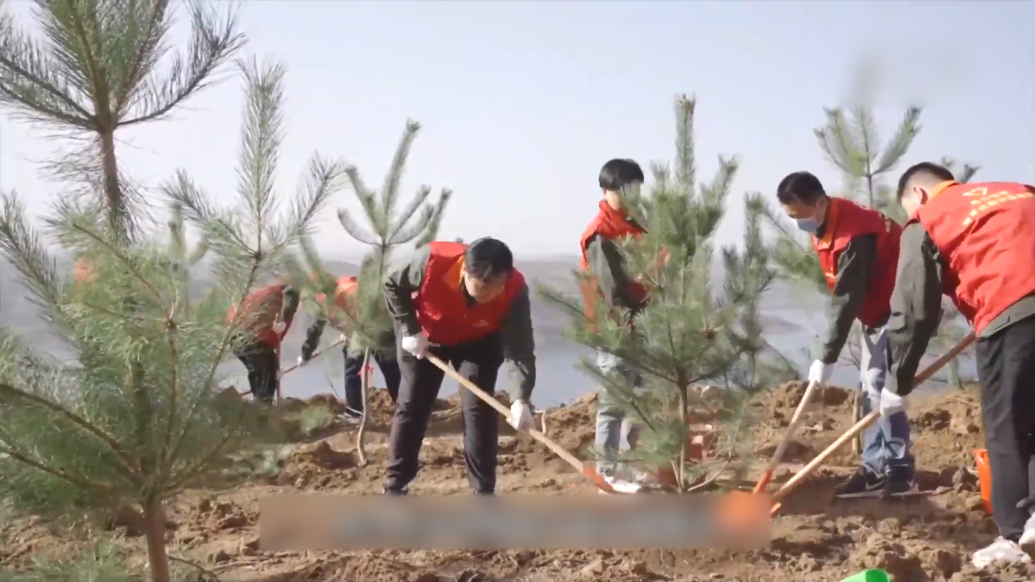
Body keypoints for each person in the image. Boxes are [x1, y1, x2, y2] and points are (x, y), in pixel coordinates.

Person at [884, 162, 1035, 568]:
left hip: (1013, 315)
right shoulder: (1019, 190)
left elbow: (915, 310)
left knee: (1009, 426)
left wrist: (895, 382)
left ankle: (1017, 535)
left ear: (917, 195)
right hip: (1019, 304)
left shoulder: (927, 219)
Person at [776, 171, 917, 498]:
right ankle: (874, 468)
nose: (799, 224)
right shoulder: (827, 222)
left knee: (881, 387)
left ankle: (899, 471)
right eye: (791, 218)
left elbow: (845, 301)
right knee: (872, 388)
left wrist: (826, 357)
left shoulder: (856, 234)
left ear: (821, 203)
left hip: (900, 308)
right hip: (877, 311)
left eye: (800, 216)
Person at [381, 237, 537, 495]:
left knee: (478, 409)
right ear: (465, 270)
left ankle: (483, 492)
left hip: (479, 341)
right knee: (413, 405)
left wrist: (520, 398)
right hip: (426, 338)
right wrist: (409, 328)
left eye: (493, 289)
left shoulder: (515, 289)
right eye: (480, 288)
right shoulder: (431, 261)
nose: (486, 296)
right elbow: (391, 283)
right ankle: (396, 486)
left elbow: (519, 348)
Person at [580, 158, 651, 489]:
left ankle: (629, 463)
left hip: (646, 322)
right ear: (606, 190)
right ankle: (608, 471)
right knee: (615, 401)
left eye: (636, 189)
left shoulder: (637, 224)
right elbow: (614, 293)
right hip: (616, 327)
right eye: (624, 190)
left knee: (640, 399)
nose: (632, 195)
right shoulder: (601, 234)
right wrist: (632, 326)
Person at [297, 274, 401, 420]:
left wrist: (305, 355)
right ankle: (407, 407)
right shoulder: (347, 284)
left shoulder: (324, 300)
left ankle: (355, 412)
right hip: (381, 325)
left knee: (353, 371)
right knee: (391, 368)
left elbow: (315, 330)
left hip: (363, 331)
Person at [227, 280, 300, 404]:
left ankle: (259, 405)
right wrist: (283, 319)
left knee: (259, 371)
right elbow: (290, 299)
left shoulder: (266, 293)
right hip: (252, 338)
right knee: (266, 373)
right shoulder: (289, 292)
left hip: (237, 337)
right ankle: (263, 407)